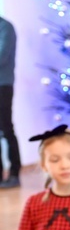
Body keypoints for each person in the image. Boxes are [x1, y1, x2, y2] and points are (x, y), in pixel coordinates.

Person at [0, 15, 21, 188]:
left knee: (6, 128)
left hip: (3, 85)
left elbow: (2, 57)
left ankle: (15, 173)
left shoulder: (5, 27)